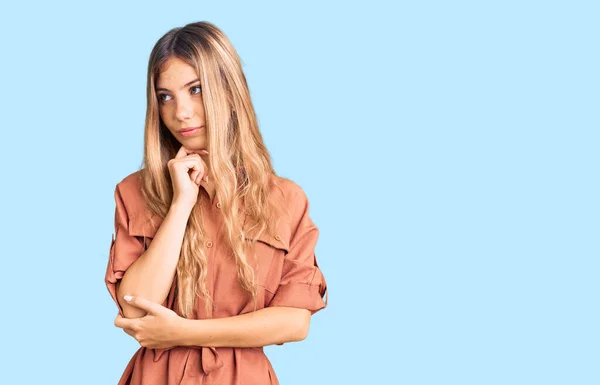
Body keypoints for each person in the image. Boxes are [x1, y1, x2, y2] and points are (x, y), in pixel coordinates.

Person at [104, 21, 328, 385]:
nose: (181, 113)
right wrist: (180, 205)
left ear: (229, 92)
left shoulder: (286, 200)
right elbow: (134, 306)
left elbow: (294, 321)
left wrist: (181, 333)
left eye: (195, 90)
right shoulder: (133, 192)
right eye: (165, 96)